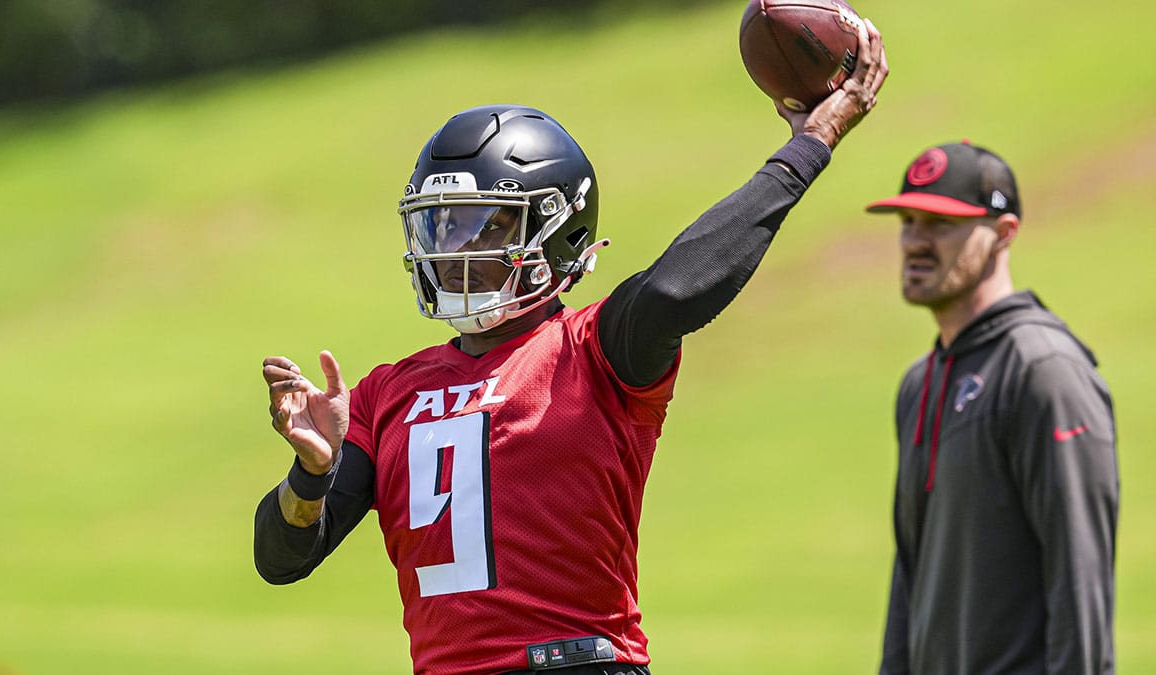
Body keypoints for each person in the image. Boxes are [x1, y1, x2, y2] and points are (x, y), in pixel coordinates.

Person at [252, 20, 888, 674]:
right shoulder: (388, 391)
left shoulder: (593, 347)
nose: (456, 247)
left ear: (559, 230)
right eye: (443, 224)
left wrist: (812, 141)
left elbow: (673, 291)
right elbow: (280, 559)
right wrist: (311, 474)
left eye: (484, 224)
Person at [866, 141, 1119, 674]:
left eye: (940, 224)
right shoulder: (921, 382)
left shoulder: (1044, 372)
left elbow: (1082, 587)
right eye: (908, 221)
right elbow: (909, 579)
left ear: (1005, 233)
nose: (915, 241)